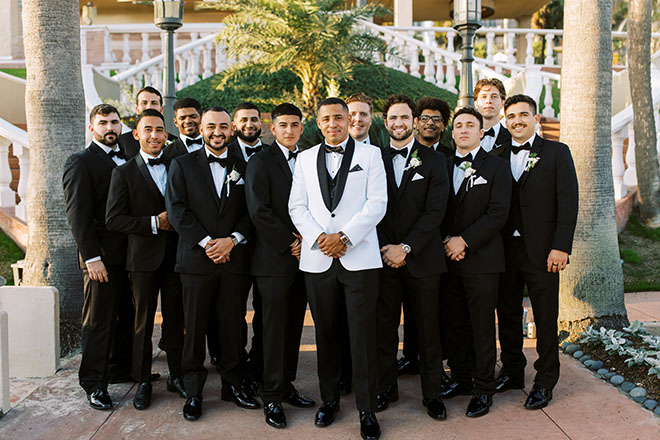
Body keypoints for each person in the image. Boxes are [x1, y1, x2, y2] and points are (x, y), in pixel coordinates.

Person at [288, 97, 387, 440]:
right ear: (318, 123)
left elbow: (378, 203)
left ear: (349, 120)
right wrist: (320, 238)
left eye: (339, 118)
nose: (333, 123)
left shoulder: (371, 155)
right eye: (327, 118)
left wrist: (345, 237)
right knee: (326, 334)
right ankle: (329, 400)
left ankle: (367, 409)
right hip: (318, 259)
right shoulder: (303, 159)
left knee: (362, 336)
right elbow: (296, 207)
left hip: (359, 257)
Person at [166, 106, 259, 421]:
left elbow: (252, 212)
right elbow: (177, 210)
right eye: (210, 126)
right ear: (201, 129)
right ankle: (193, 392)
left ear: (231, 129)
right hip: (196, 261)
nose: (217, 132)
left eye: (222, 126)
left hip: (233, 260)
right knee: (194, 328)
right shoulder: (181, 165)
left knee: (233, 326)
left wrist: (231, 240)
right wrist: (208, 243)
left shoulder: (245, 165)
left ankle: (233, 385)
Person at [495, 94, 578, 410]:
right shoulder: (497, 154)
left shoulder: (556, 153)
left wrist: (561, 246)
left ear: (536, 118)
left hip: (544, 251)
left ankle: (545, 380)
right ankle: (513, 371)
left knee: (545, 317)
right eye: (512, 116)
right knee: (508, 314)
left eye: (523, 115)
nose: (517, 120)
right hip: (504, 250)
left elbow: (568, 202)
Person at [375, 94, 450, 421]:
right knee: (384, 329)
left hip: (422, 259)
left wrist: (405, 248)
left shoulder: (434, 161)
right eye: (393, 118)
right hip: (382, 258)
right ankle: (385, 387)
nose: (399, 123)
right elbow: (368, 210)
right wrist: (385, 248)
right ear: (386, 122)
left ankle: (432, 393)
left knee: (428, 330)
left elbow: (436, 211)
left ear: (415, 121)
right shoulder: (373, 158)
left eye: (405, 117)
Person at [105, 109, 185, 410]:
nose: (154, 135)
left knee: (177, 321)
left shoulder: (178, 165)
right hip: (142, 260)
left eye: (159, 130)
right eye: (148, 129)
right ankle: (142, 382)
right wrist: (154, 223)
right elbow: (114, 219)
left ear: (167, 134)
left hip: (177, 257)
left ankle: (177, 376)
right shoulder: (123, 173)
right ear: (136, 134)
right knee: (143, 322)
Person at [245, 103, 316, 429]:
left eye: (295, 125)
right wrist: (291, 243)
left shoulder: (310, 160)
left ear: (302, 127)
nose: (289, 130)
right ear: (272, 128)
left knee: (292, 328)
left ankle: (286, 384)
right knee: (272, 330)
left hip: (307, 259)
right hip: (274, 260)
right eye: (283, 125)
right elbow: (259, 211)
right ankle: (271, 396)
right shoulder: (260, 161)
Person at [441, 107, 512, 418]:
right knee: (453, 323)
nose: (464, 130)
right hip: (446, 259)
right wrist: (447, 241)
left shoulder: (497, 167)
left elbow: (498, 213)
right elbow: (434, 208)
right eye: (459, 126)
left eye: (471, 125)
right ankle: (460, 377)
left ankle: (484, 388)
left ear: (482, 132)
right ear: (452, 132)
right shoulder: (441, 165)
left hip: (482, 259)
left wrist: (464, 241)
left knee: (482, 326)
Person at [63, 103, 131, 410]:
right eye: (103, 123)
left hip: (131, 257)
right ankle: (94, 383)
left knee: (126, 317)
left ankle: (120, 369)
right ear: (92, 128)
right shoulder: (80, 162)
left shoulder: (129, 157)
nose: (110, 128)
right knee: (98, 321)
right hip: (100, 259)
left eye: (114, 122)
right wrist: (91, 258)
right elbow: (78, 215)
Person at [398, 96, 453, 379]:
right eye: (425, 118)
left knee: (434, 311)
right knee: (407, 307)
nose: (430, 124)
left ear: (444, 126)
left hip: (439, 244)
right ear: (416, 122)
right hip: (402, 246)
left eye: (437, 120)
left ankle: (436, 368)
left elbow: (443, 205)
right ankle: (410, 357)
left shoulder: (449, 156)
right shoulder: (397, 153)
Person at [226, 101, 265, 394]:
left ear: (262, 123)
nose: (249, 124)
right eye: (243, 120)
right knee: (234, 312)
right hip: (234, 249)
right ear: (234, 125)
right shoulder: (224, 154)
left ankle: (262, 365)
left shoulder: (274, 154)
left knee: (266, 313)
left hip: (268, 249)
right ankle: (236, 369)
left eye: (254, 119)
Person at [119, 86, 177, 158]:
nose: (149, 107)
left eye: (154, 103)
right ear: (137, 109)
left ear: (161, 109)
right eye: (144, 103)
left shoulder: (174, 143)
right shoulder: (122, 142)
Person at [474, 78, 511, 155]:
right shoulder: (465, 136)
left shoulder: (512, 138)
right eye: (484, 96)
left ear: (503, 103)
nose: (488, 101)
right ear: (476, 103)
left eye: (494, 96)